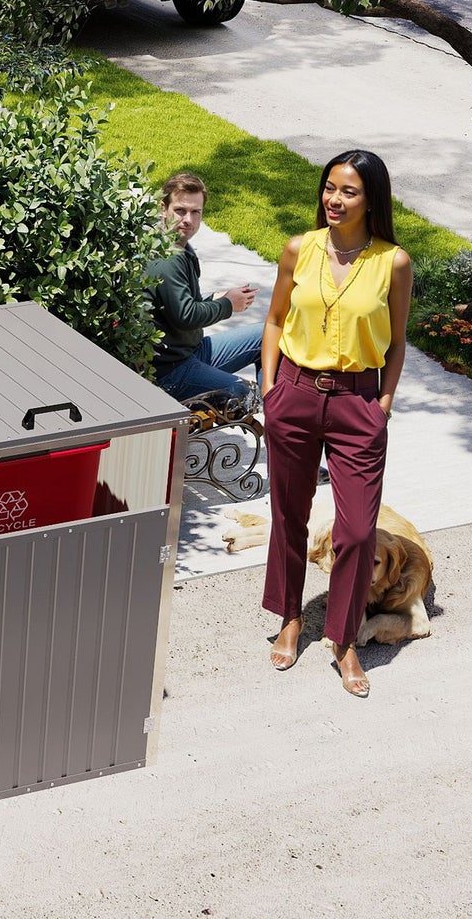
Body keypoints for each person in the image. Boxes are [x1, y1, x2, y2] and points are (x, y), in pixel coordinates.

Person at [259, 150, 412, 697]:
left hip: (357, 404)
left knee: (355, 531)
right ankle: (290, 617)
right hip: (295, 394)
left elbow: (396, 343)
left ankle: (345, 640)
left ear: (371, 199)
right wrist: (270, 388)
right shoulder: (299, 249)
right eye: (329, 188)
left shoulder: (392, 262)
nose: (334, 199)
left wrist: (383, 404)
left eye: (348, 191)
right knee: (288, 514)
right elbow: (275, 320)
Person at [145, 171, 264, 404]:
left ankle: (274, 413)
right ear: (163, 208)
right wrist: (227, 305)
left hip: (191, 352)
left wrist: (215, 298)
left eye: (195, 212)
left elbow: (180, 305)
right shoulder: (168, 257)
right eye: (180, 210)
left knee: (267, 335)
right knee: (242, 393)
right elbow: (186, 316)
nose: (188, 219)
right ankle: (267, 414)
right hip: (170, 372)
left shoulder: (179, 246)